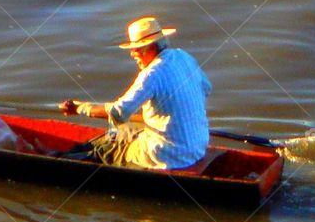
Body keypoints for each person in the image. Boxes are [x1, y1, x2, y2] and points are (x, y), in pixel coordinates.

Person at [59, 17, 212, 169]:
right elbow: (206, 88)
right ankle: (72, 152)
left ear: (149, 49)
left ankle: (58, 159)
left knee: (105, 152)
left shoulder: (151, 74)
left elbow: (119, 113)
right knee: (121, 131)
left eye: (136, 49)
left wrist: (81, 108)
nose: (132, 54)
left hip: (166, 156)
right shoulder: (183, 57)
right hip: (197, 148)